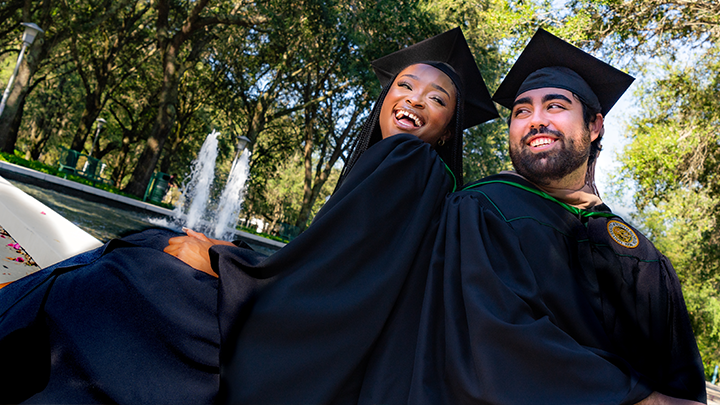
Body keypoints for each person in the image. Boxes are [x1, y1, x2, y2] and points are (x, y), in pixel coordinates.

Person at [0, 28, 499, 404]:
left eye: (436, 99)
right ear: (387, 96)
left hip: (297, 344)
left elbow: (329, 282)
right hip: (329, 341)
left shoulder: (405, 161)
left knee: (129, 269)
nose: (414, 100)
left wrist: (224, 263)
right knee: (145, 252)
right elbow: (343, 268)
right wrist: (231, 255)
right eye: (406, 86)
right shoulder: (431, 182)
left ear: (448, 131)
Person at [405, 28, 707, 405]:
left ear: (595, 126)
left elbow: (680, 380)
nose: (535, 120)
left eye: (556, 106)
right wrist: (644, 399)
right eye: (521, 111)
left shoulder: (637, 249)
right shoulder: (481, 210)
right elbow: (491, 343)